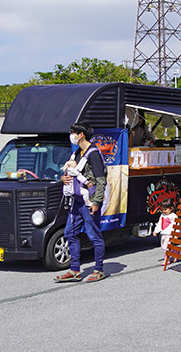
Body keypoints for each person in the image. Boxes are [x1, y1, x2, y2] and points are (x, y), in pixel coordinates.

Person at [54, 121, 107, 283]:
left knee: (94, 235)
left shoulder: (93, 154)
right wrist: (64, 178)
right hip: (76, 200)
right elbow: (72, 174)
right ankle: (75, 270)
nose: (72, 136)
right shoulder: (77, 153)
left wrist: (96, 202)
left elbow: (101, 181)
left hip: (89, 200)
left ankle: (98, 269)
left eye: (73, 133)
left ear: (81, 135)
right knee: (70, 232)